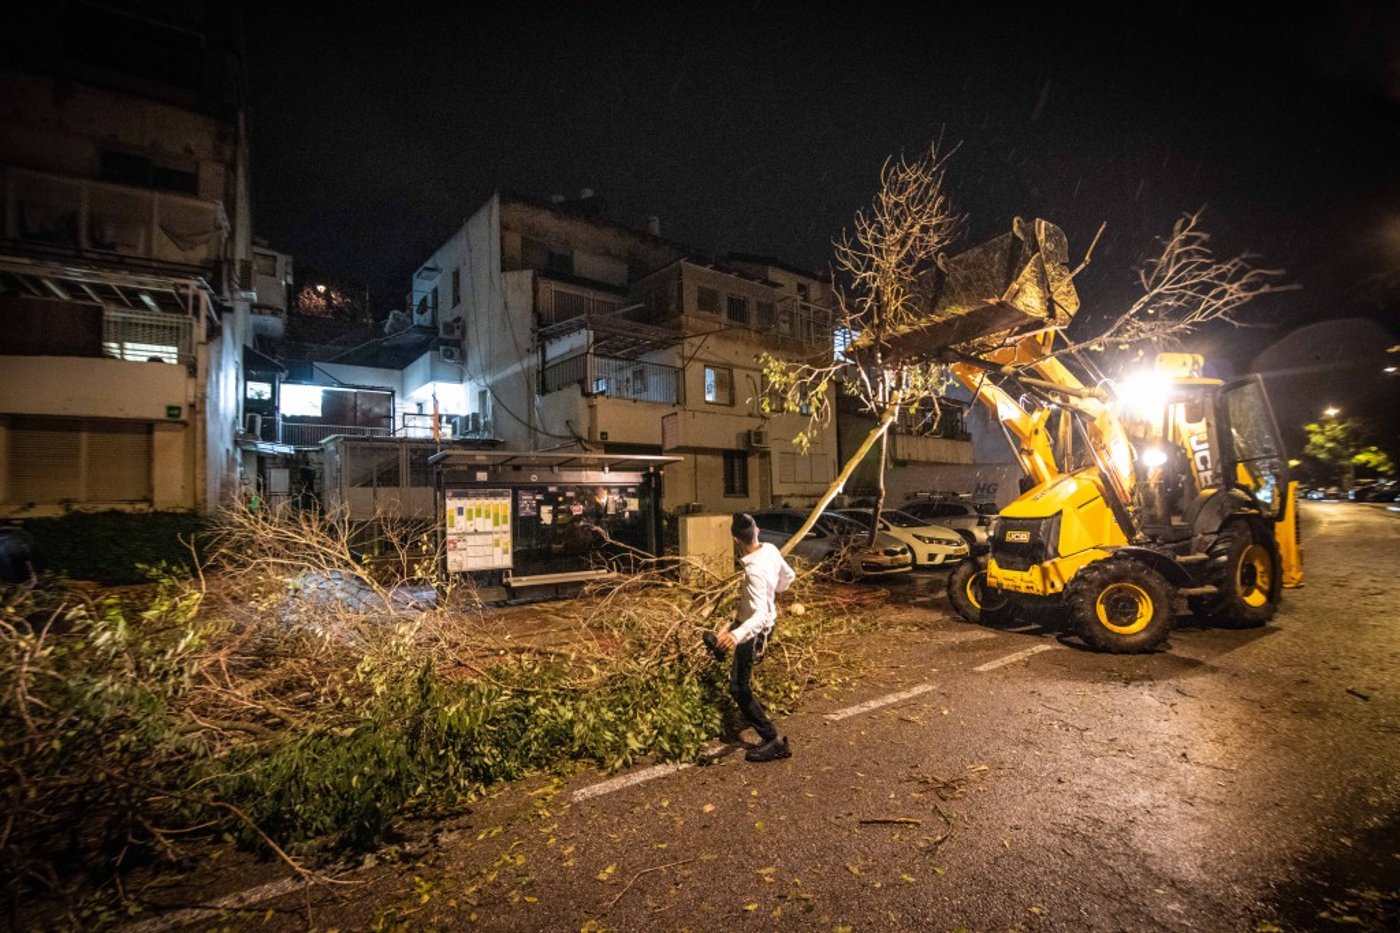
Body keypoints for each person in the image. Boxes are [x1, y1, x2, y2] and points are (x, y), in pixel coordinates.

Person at [705, 512, 796, 763]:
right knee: (733, 626)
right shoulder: (770, 549)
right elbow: (789, 578)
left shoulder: (755, 570)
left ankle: (773, 740)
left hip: (755, 631)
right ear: (757, 532)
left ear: (735, 540)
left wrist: (736, 636)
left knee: (738, 687)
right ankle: (720, 648)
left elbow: (760, 617)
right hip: (750, 621)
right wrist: (774, 589)